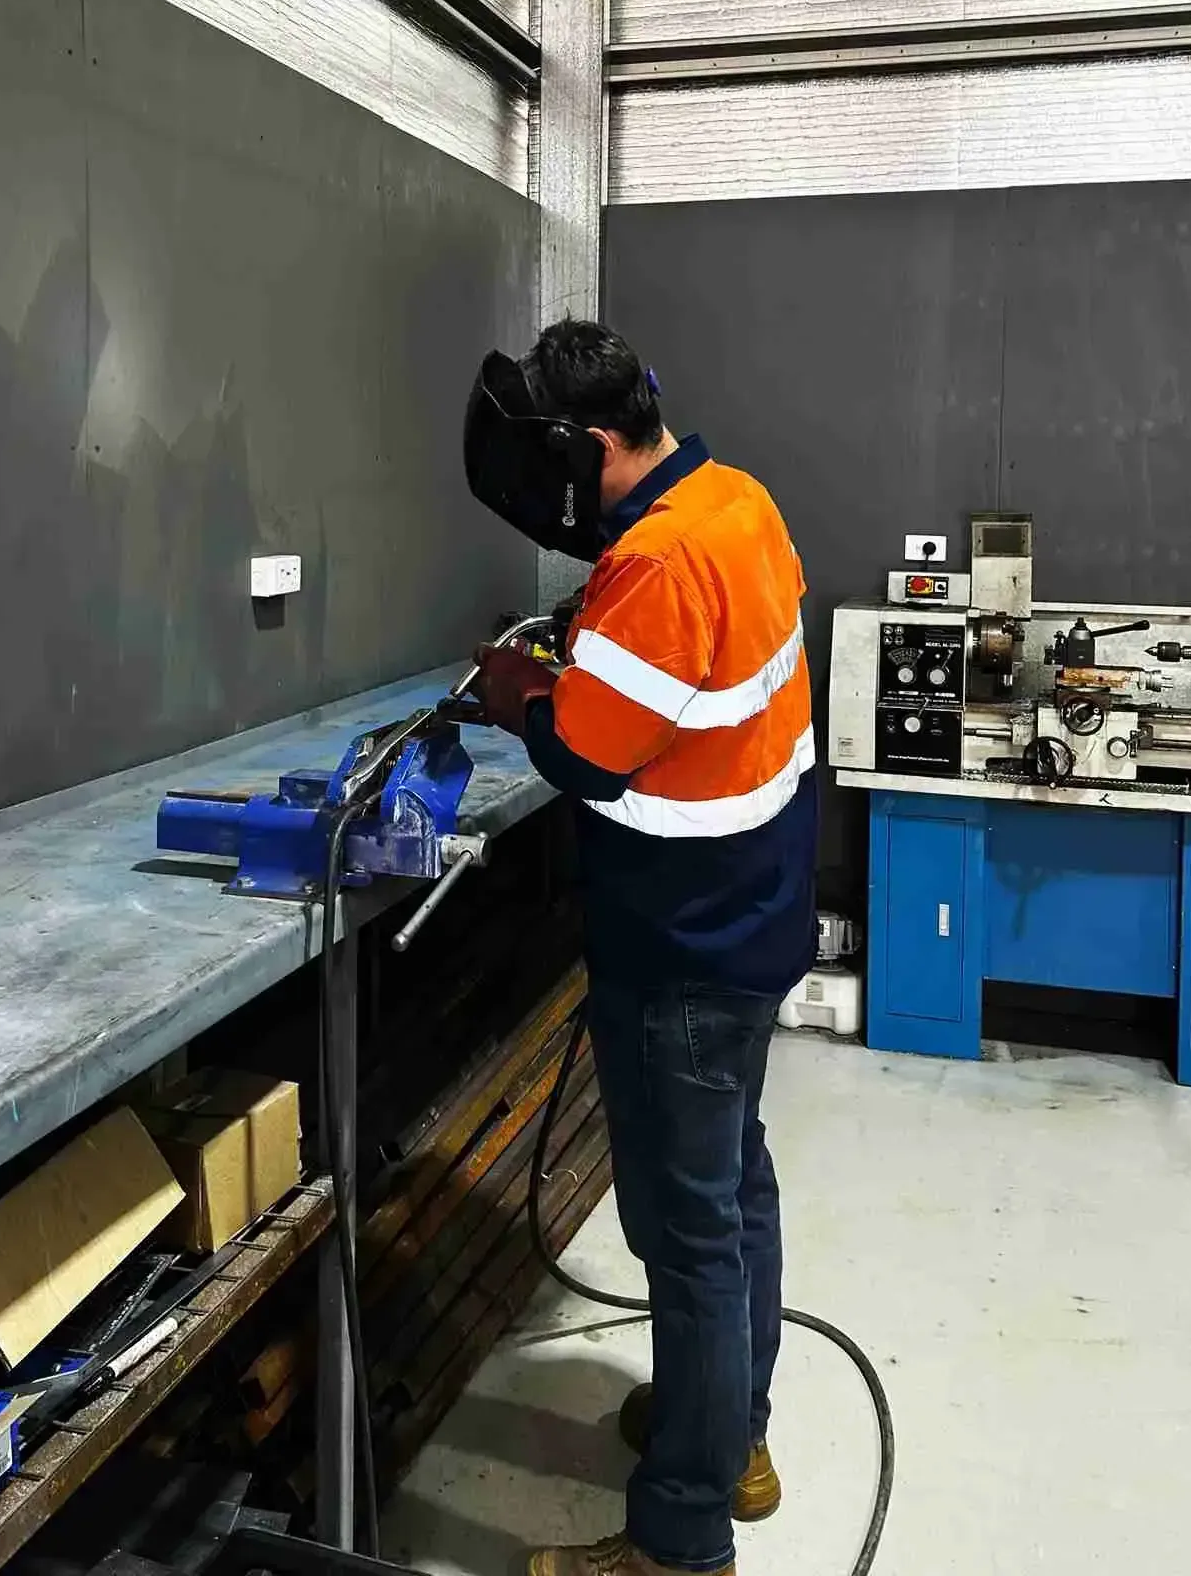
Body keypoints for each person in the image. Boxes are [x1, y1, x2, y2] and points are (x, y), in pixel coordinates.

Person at [468, 320, 819, 1576]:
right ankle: (730, 1435)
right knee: (735, 1194)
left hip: (684, 945)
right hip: (755, 914)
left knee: (686, 1232)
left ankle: (681, 1534)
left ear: (598, 442)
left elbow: (583, 747)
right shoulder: (736, 501)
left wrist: (516, 686)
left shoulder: (659, 557)